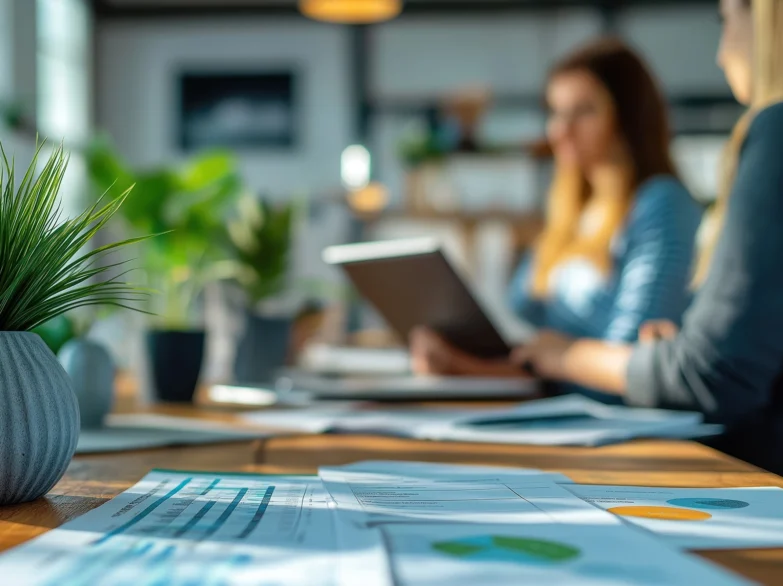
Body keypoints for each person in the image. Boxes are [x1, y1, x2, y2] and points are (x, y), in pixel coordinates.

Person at [510, 0, 783, 474]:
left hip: (742, 471)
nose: (720, 54)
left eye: (725, 21)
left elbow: (711, 373)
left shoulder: (767, 137)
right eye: (556, 113)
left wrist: (560, 357)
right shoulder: (567, 214)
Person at [411, 38, 703, 402]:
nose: (560, 130)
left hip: (617, 428)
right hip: (559, 410)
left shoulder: (659, 204)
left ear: (628, 117)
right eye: (555, 111)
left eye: (584, 111)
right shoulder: (572, 211)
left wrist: (485, 371)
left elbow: (635, 368)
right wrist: (469, 357)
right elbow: (538, 342)